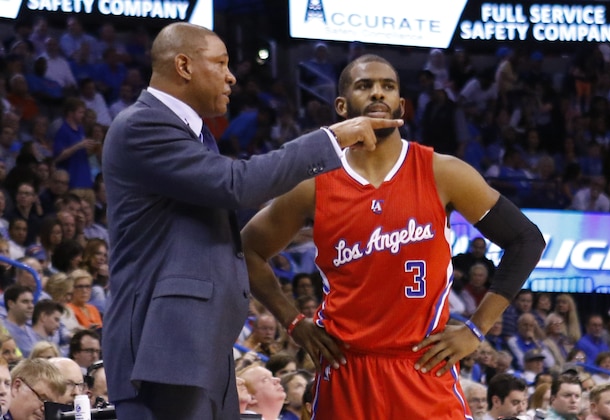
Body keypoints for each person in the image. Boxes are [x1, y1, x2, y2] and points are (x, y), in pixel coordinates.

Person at [100, 23, 401, 420]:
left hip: (196, 348)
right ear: (184, 66)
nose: (231, 75)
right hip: (163, 349)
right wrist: (331, 139)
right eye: (221, 63)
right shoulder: (144, 124)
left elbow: (209, 220)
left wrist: (307, 232)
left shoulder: (192, 134)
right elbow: (236, 185)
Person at [242, 54, 545, 419]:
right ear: (342, 105)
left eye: (388, 86)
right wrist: (293, 322)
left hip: (422, 367)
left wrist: (475, 329)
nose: (377, 94)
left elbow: (526, 240)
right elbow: (248, 249)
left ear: (401, 104)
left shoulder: (442, 172)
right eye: (364, 86)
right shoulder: (312, 185)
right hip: (346, 368)